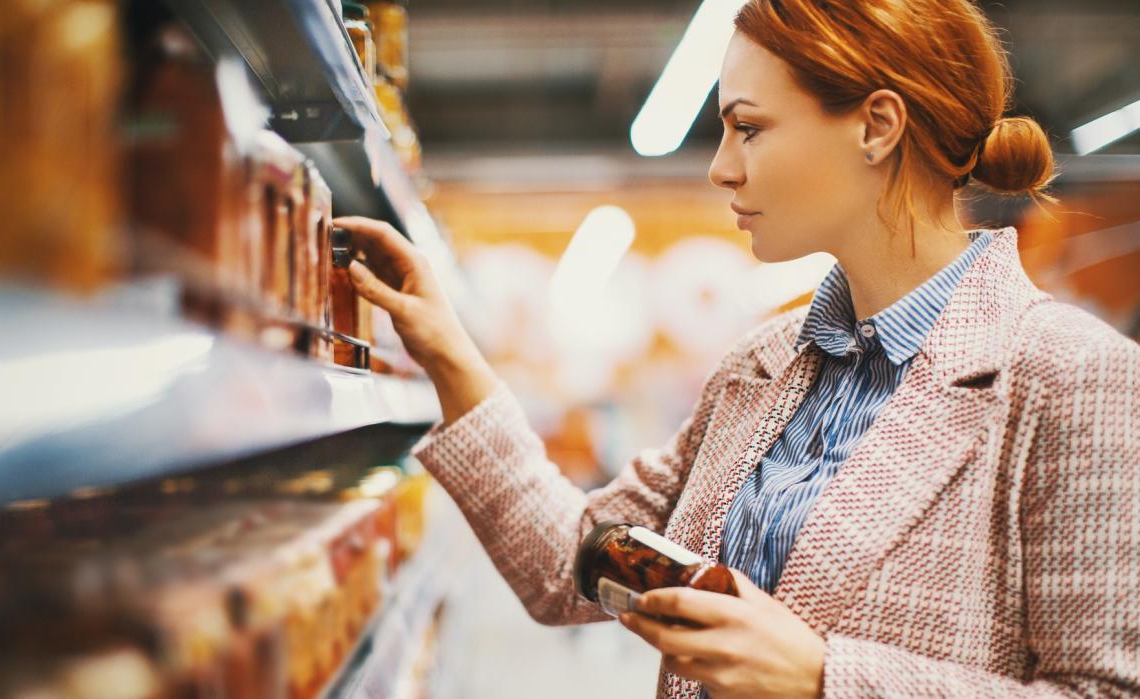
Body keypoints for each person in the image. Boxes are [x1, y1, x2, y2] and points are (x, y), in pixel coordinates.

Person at [333, 0, 1140, 696]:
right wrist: (445, 349)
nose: (720, 168)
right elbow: (569, 564)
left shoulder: (1070, 377)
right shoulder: (762, 368)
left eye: (747, 129)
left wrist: (825, 679)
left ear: (876, 125)